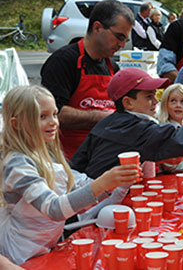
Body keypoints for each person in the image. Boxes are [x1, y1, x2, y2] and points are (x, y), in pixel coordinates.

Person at [0, 86, 139, 265]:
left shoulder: (46, 155)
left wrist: (113, 186)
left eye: (55, 114)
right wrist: (102, 183)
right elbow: (55, 209)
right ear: (16, 124)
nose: (53, 122)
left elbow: (74, 206)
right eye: (42, 116)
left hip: (46, 246)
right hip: (21, 253)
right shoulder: (17, 164)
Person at [40, 0, 134, 159]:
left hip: (102, 155)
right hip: (67, 159)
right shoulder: (63, 61)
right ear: (97, 27)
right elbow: (53, 115)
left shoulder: (111, 65)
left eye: (125, 39)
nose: (122, 45)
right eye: (119, 37)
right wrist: (101, 117)